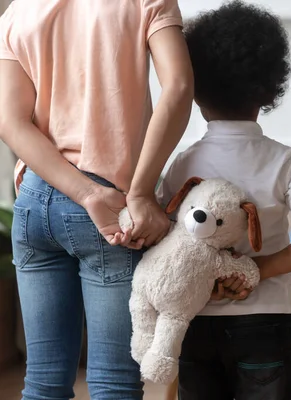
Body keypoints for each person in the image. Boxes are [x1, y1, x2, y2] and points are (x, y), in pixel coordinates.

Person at [0, 0, 194, 398]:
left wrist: (81, 192)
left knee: (42, 382)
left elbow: (10, 121)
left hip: (36, 198)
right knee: (114, 383)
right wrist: (138, 193)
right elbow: (178, 86)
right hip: (109, 206)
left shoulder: (19, 10)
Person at [155, 1, 291, 399]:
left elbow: (165, 240)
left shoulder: (183, 163)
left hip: (197, 320)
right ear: (269, 88)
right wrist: (256, 269)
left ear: (196, 89)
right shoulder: (283, 160)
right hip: (265, 321)